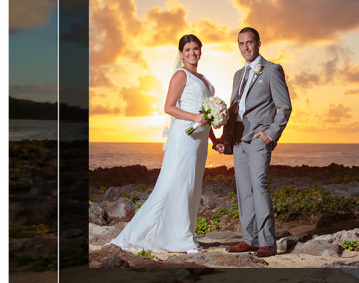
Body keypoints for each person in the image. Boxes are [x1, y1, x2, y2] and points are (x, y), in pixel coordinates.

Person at [110, 34, 218, 254]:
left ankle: (185, 233)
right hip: (184, 139)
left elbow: (207, 113)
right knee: (178, 185)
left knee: (192, 188)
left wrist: (214, 139)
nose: (192, 53)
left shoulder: (204, 78)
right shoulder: (181, 75)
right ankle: (182, 240)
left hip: (200, 141)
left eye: (196, 48)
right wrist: (195, 118)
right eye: (187, 49)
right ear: (180, 53)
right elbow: (169, 107)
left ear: (201, 50)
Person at [216, 27, 292, 258]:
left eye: (249, 43)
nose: (245, 47)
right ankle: (250, 239)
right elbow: (235, 109)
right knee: (243, 191)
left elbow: (284, 106)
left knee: (259, 187)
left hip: (259, 140)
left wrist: (270, 133)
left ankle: (267, 242)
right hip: (238, 141)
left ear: (258, 43)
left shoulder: (272, 70)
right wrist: (225, 139)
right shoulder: (238, 75)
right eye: (241, 43)